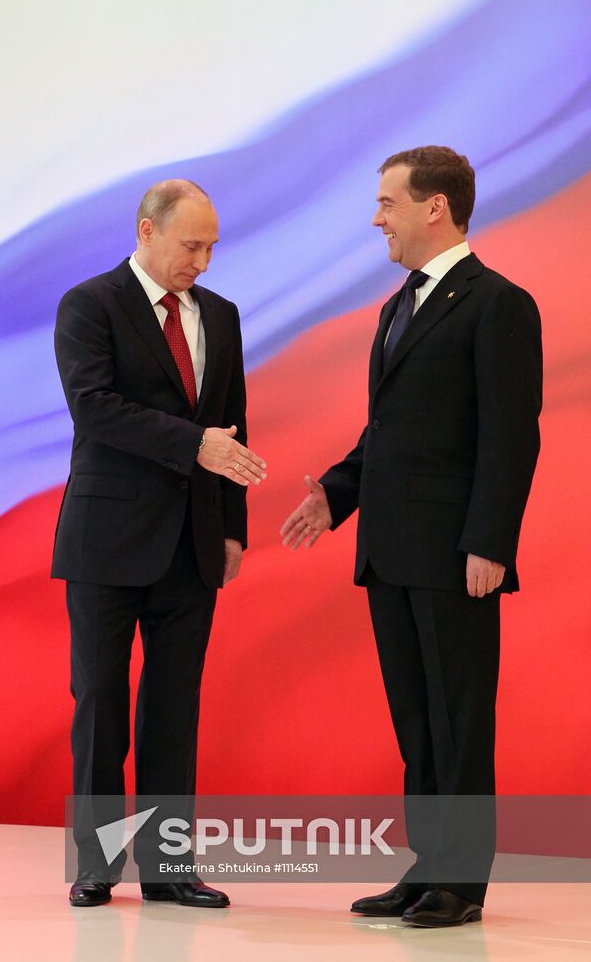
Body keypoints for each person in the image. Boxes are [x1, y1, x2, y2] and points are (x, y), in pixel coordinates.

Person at [281, 146, 542, 927]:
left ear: (435, 207)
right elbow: (391, 431)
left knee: (459, 718)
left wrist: (490, 542)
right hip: (392, 548)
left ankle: (461, 883)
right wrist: (336, 493)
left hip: (457, 552)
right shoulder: (400, 306)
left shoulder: (498, 302)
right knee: (418, 718)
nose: (376, 217)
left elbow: (510, 436)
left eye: (387, 202)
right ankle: (428, 865)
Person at [52, 179, 267, 908]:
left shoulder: (224, 317)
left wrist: (233, 526)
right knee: (102, 702)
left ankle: (169, 866)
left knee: (174, 708)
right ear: (148, 231)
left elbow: (232, 424)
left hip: (192, 545)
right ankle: (97, 864)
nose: (203, 261)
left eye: (211, 247)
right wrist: (193, 445)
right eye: (190, 245)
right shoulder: (90, 304)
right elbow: (95, 408)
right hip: (106, 543)